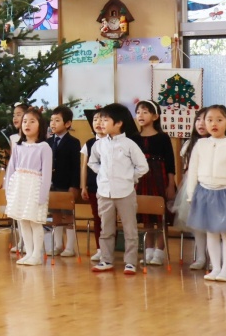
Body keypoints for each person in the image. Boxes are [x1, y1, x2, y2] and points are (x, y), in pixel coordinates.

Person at [186, 105, 226, 282]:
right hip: (204, 192)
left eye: (219, 120)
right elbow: (193, 171)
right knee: (210, 232)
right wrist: (191, 194)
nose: (214, 124)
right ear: (204, 123)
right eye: (210, 120)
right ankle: (216, 267)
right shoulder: (200, 144)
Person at [88, 103, 149, 275]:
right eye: (100, 119)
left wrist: (130, 177)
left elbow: (143, 166)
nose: (101, 123)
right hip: (104, 192)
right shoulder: (98, 144)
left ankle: (130, 262)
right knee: (106, 228)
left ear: (119, 123)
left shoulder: (129, 144)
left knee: (130, 229)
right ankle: (106, 260)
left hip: (125, 192)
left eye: (106, 120)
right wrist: (102, 173)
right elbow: (92, 162)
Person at [4, 107, 53, 266]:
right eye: (25, 121)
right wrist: (8, 189)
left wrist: (43, 195)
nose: (27, 124)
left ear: (40, 125)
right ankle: (29, 252)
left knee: (34, 221)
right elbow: (11, 168)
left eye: (32, 121)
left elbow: (46, 174)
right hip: (19, 186)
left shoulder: (44, 147)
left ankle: (37, 255)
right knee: (22, 220)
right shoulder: (18, 146)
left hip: (35, 187)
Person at [134, 100, 177, 267]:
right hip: (141, 179)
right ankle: (148, 250)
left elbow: (170, 163)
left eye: (145, 112)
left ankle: (159, 252)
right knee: (146, 217)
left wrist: (171, 184)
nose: (141, 115)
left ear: (155, 116)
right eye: (138, 112)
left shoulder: (163, 137)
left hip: (159, 179)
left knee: (160, 218)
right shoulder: (134, 138)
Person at [172, 108, 211, 270]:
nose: (201, 124)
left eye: (205, 120)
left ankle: (214, 259)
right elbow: (184, 168)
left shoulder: (221, 142)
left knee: (212, 225)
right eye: (198, 120)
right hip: (193, 185)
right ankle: (201, 257)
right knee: (197, 225)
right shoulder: (189, 143)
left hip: (213, 185)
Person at [47, 106, 81, 257]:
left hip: (66, 184)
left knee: (68, 215)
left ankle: (70, 247)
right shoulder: (47, 142)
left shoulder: (73, 142)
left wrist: (74, 186)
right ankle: (58, 244)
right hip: (51, 184)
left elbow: (76, 166)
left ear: (67, 124)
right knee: (55, 214)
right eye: (51, 120)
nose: (53, 123)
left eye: (57, 120)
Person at [80, 109, 105, 262]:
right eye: (95, 119)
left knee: (108, 220)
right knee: (97, 218)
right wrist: (83, 186)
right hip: (93, 186)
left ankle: (108, 249)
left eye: (102, 120)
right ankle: (99, 248)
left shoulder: (113, 141)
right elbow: (84, 166)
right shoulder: (89, 143)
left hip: (110, 187)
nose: (98, 123)